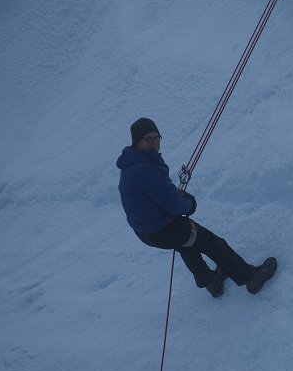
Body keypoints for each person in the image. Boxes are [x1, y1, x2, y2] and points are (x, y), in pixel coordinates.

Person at [116, 117, 277, 298]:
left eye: (157, 137)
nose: (154, 143)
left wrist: (172, 195)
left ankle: (212, 283)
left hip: (146, 232)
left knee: (186, 245)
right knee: (212, 243)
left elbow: (156, 194)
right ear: (137, 141)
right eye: (148, 138)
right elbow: (176, 206)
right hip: (165, 229)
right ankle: (251, 278)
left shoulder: (132, 165)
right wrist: (189, 204)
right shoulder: (144, 170)